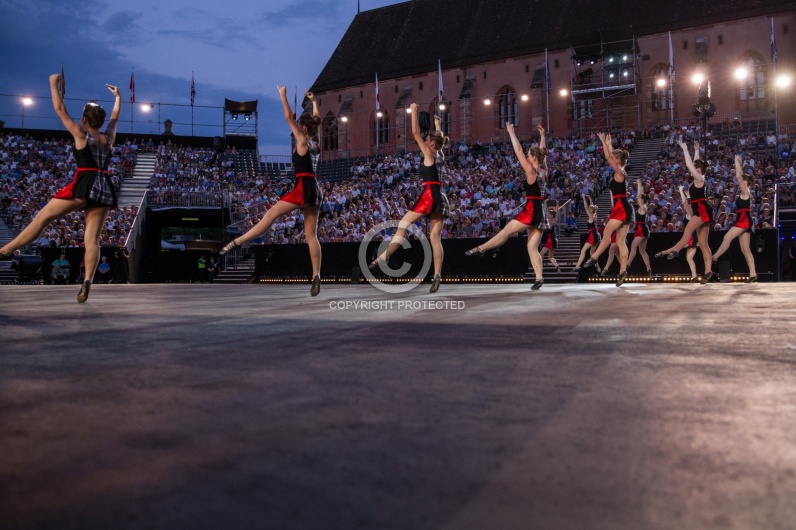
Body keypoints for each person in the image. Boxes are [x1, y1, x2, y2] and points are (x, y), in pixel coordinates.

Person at [0, 73, 121, 303]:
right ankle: (87, 281)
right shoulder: (109, 137)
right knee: (92, 241)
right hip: (104, 187)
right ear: (101, 121)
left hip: (85, 183)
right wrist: (118, 97)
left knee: (42, 219)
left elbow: (59, 109)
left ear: (85, 120)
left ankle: (6, 250)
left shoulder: (81, 134)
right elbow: (115, 117)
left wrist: (52, 83)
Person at [220, 87, 323, 296]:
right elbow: (317, 119)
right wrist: (314, 102)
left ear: (303, 128)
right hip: (315, 189)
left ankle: (238, 241)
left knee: (270, 215)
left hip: (303, 187)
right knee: (311, 236)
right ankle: (316, 275)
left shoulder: (302, 141)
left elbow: (288, 117)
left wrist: (282, 95)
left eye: (299, 126)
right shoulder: (315, 143)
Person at [369, 105, 450, 293]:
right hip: (439, 195)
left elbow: (415, 132)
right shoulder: (439, 154)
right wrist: (437, 125)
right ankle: (437, 274)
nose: (426, 139)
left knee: (403, 225)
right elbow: (438, 140)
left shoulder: (429, 153)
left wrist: (413, 112)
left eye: (428, 138)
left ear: (430, 143)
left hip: (429, 194)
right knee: (435, 239)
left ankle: (384, 257)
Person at [465, 124, 548, 290]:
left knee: (506, 231)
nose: (526, 155)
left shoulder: (531, 171)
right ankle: (539, 278)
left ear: (532, 158)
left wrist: (511, 132)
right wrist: (542, 137)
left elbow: (517, 151)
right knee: (532, 248)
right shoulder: (544, 169)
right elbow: (543, 154)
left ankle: (482, 248)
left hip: (531, 210)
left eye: (529, 154)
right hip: (541, 212)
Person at [654, 140, 714, 284]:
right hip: (701, 210)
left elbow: (690, 165)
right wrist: (697, 151)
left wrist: (685, 149)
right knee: (703, 244)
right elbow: (694, 165)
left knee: (687, 232)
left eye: (697, 168)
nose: (695, 169)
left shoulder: (700, 179)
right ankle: (708, 272)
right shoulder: (698, 179)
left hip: (701, 211)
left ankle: (676, 251)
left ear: (700, 171)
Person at [583, 132, 634, 286]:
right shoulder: (621, 171)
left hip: (621, 207)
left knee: (606, 232)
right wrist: (609, 144)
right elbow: (611, 156)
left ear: (618, 160)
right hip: (624, 207)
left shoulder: (619, 173)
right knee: (620, 241)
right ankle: (623, 270)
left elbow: (608, 157)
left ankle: (595, 257)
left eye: (614, 158)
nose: (612, 159)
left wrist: (603, 142)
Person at [710, 154, 758, 282]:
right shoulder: (744, 193)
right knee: (745, 250)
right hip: (743, 219)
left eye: (743, 180)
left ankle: (714, 257)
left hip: (743, 219)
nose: (740, 181)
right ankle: (753, 274)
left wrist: (737, 162)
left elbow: (738, 176)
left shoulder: (746, 192)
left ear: (746, 182)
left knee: (727, 237)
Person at [626, 178, 652, 276]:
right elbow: (639, 196)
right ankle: (648, 268)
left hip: (642, 229)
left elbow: (638, 196)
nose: (638, 200)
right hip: (643, 228)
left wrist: (639, 185)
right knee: (642, 251)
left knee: (633, 246)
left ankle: (628, 263)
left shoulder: (642, 207)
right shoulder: (644, 207)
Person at [572, 195, 602, 273]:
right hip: (597, 235)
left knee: (583, 251)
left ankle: (577, 266)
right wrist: (590, 198)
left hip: (592, 235)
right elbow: (592, 207)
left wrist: (584, 198)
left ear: (592, 210)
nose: (589, 208)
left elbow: (585, 207)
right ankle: (596, 264)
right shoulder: (595, 215)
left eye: (590, 208)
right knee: (592, 253)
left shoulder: (591, 216)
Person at [539, 207, 560, 273]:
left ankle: (540, 268)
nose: (548, 214)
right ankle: (556, 265)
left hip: (550, 240)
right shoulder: (554, 220)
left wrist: (545, 203)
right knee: (550, 257)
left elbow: (554, 214)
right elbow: (556, 214)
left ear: (551, 215)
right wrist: (557, 206)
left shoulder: (550, 220)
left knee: (541, 254)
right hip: (554, 240)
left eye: (549, 213)